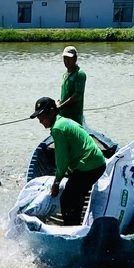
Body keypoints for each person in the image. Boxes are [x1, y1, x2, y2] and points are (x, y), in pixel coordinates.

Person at [30, 96, 106, 227]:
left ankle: (72, 230)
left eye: (42, 116)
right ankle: (77, 226)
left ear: (52, 111)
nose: (40, 121)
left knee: (67, 200)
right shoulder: (64, 121)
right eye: (38, 118)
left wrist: (56, 183)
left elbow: (62, 161)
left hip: (88, 167)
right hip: (97, 163)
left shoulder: (58, 129)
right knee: (76, 195)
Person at [58, 46, 86, 126]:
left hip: (74, 116)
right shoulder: (65, 75)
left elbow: (77, 95)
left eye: (69, 58)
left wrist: (61, 106)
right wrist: (59, 102)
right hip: (63, 114)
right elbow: (65, 93)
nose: (66, 61)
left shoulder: (79, 74)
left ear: (75, 58)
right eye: (65, 58)